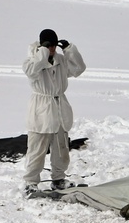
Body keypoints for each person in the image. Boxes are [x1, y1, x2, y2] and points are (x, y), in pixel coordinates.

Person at [22, 28, 87, 197]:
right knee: (37, 148)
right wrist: (42, 52)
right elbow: (31, 71)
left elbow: (79, 69)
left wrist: (69, 50)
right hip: (41, 110)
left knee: (61, 147)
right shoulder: (32, 61)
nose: (52, 49)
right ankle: (30, 183)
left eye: (54, 45)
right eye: (48, 46)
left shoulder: (60, 60)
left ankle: (58, 179)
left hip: (59, 108)